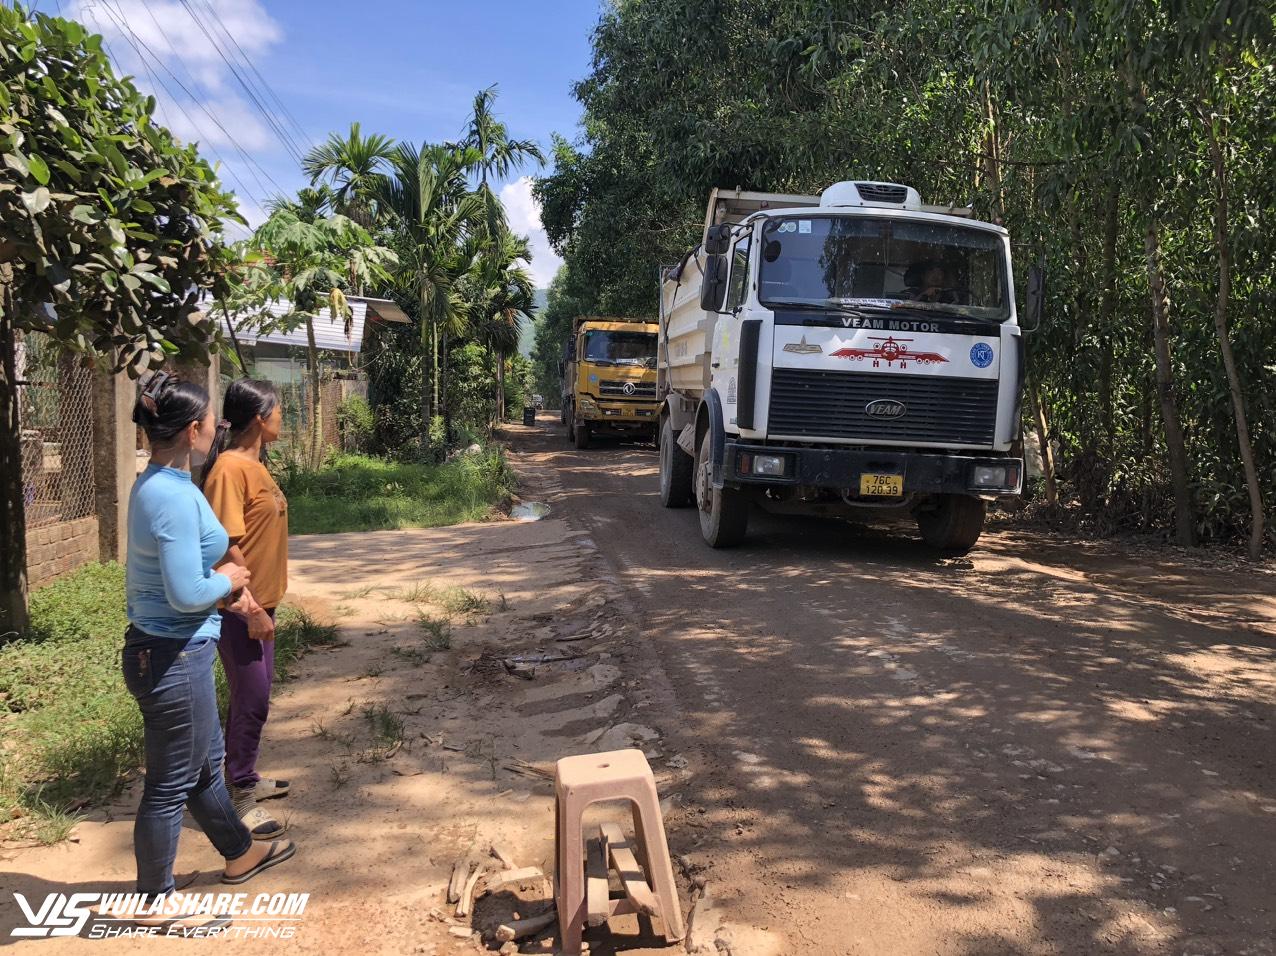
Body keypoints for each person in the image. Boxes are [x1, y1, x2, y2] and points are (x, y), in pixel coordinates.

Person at [123, 371, 294, 925]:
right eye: (208, 422)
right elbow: (187, 591)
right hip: (169, 652)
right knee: (172, 779)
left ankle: (239, 852)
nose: (215, 427)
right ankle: (155, 898)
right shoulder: (169, 497)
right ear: (194, 429)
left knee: (201, 768)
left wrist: (235, 594)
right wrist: (234, 584)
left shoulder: (169, 485)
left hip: (182, 649)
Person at [199, 379, 289, 840]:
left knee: (256, 696)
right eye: (278, 410)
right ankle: (238, 794)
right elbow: (221, 547)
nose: (282, 416)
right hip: (240, 608)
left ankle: (245, 775)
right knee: (251, 698)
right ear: (259, 416)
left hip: (262, 604)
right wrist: (249, 606)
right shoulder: (230, 470)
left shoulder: (255, 465)